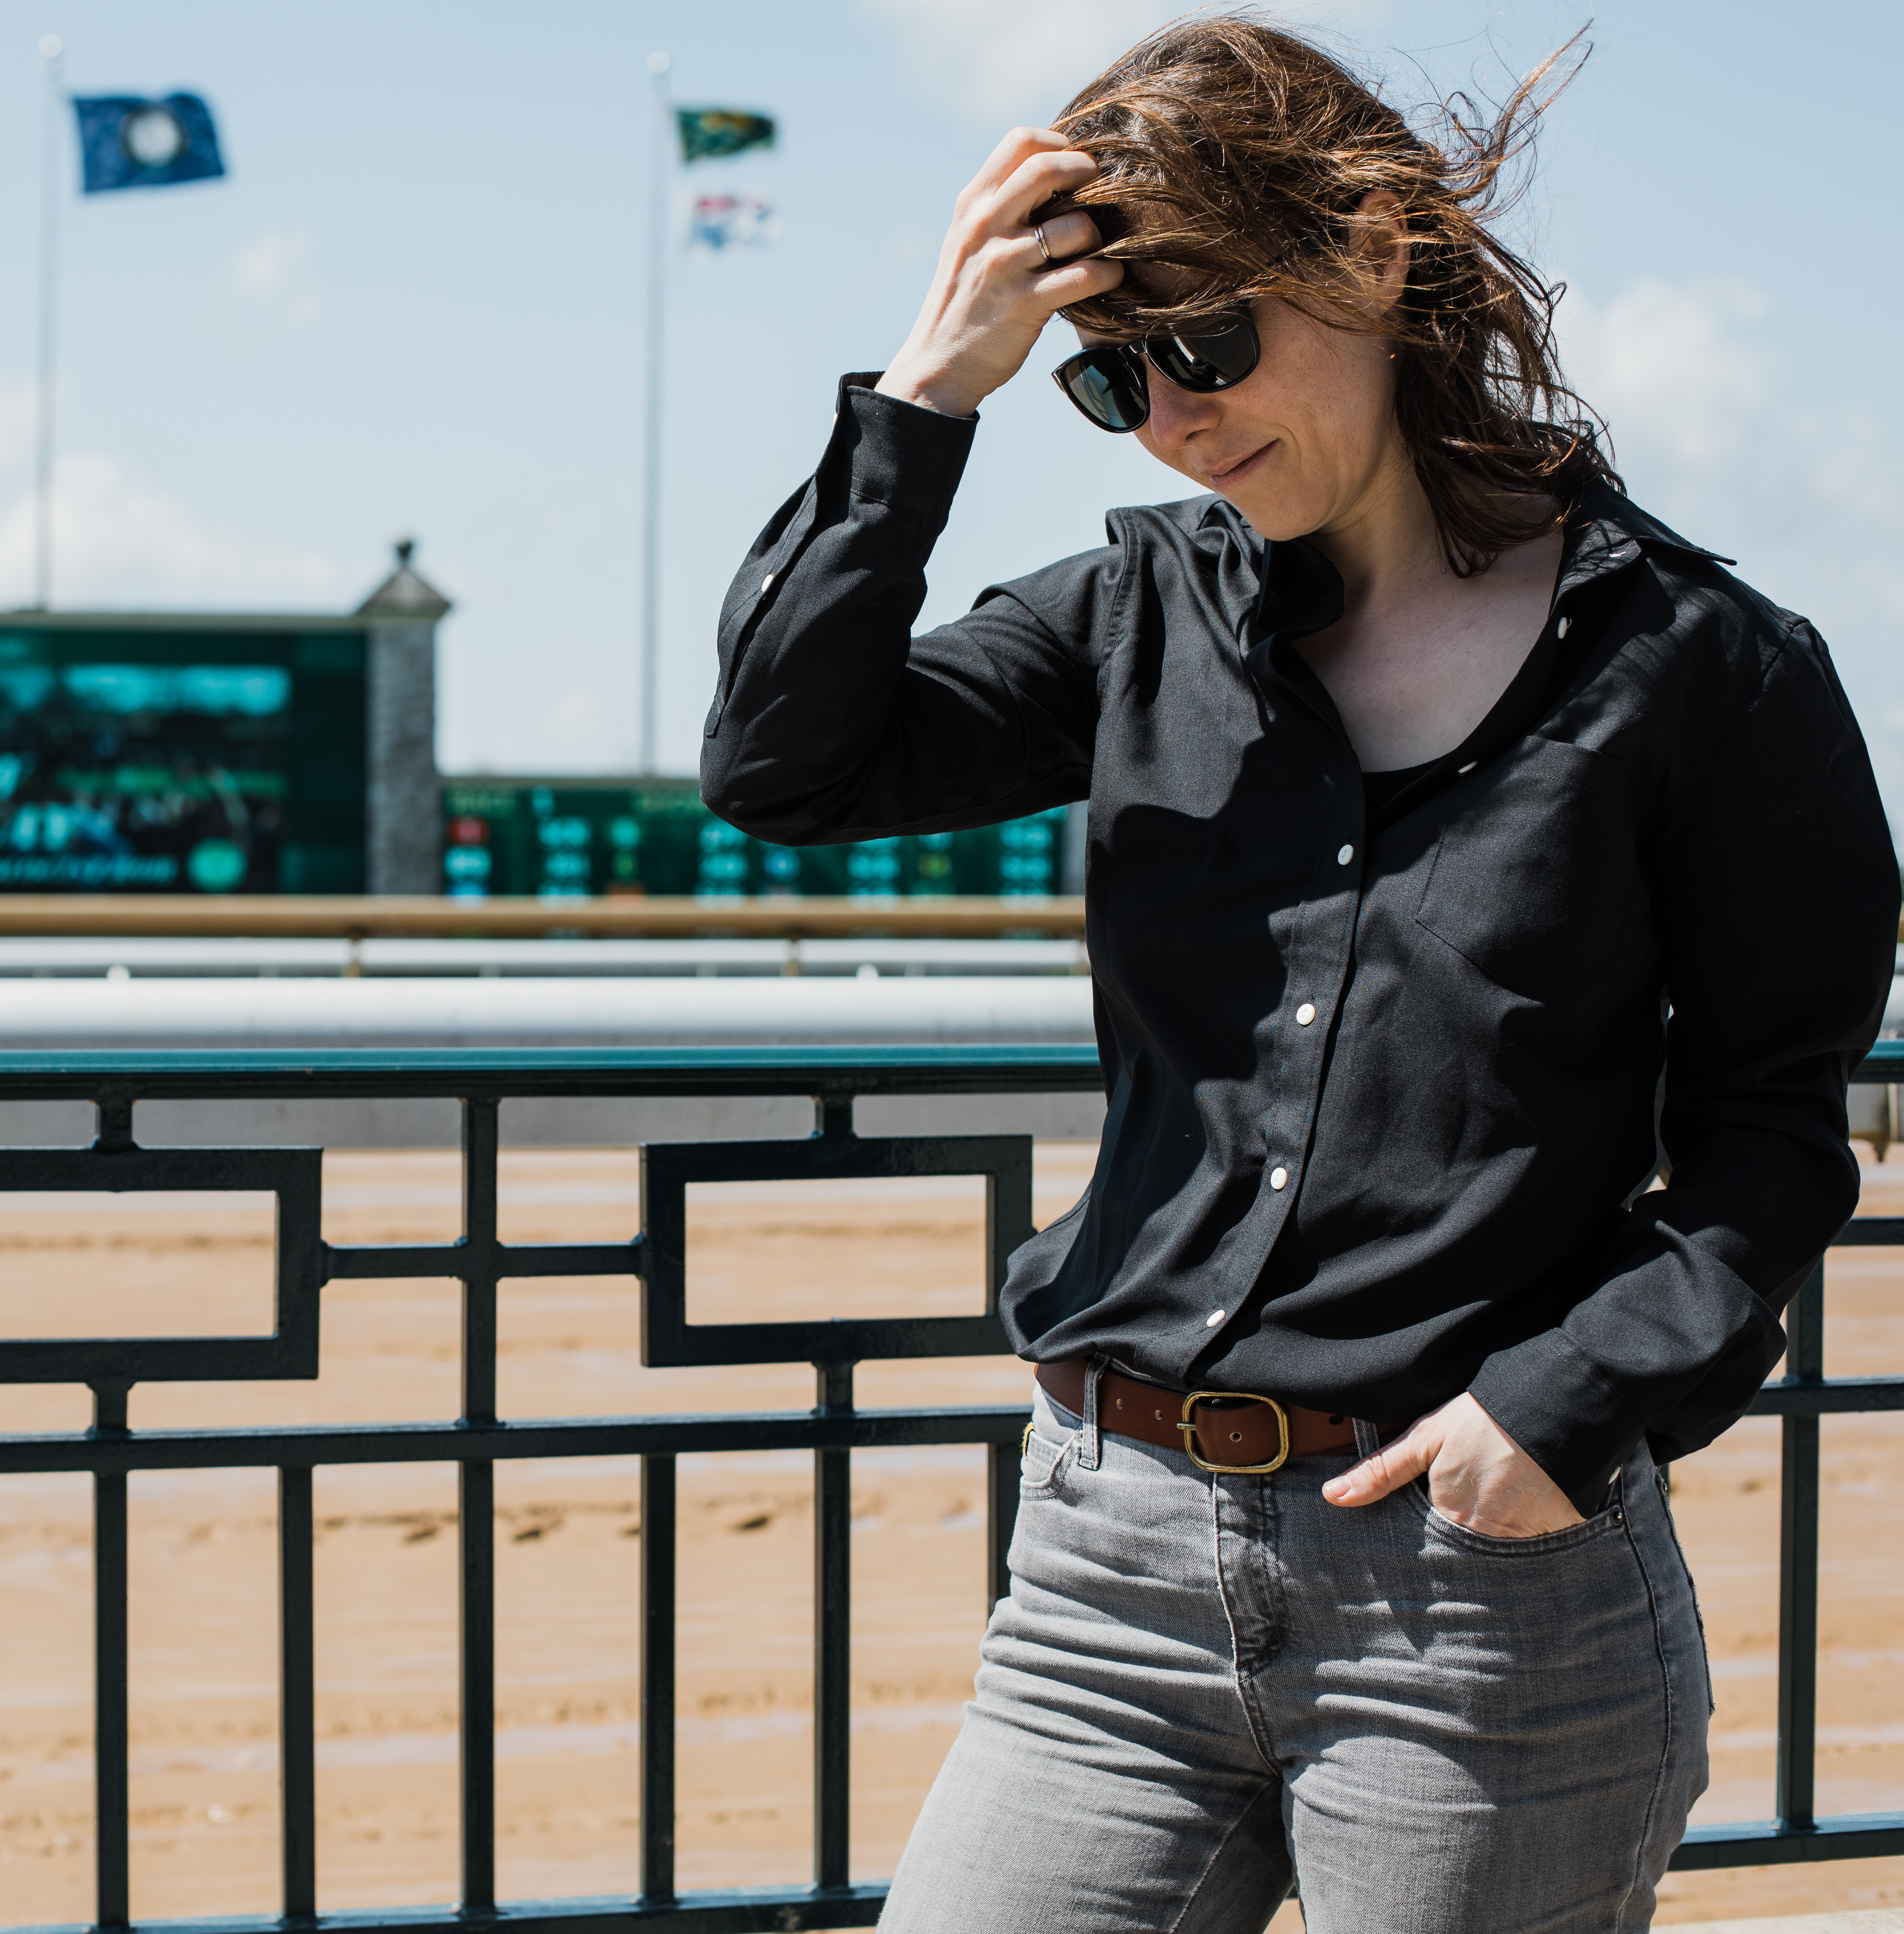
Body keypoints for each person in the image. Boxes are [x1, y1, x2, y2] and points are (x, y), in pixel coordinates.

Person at [698, 17, 1899, 1932]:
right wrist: (930, 397)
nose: (1174, 415)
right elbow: (786, 763)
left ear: (1367, 256)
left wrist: (1563, 1405)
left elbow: (1771, 1137)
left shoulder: (1709, 671)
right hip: (1105, 1574)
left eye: (1207, 341)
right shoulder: (1133, 613)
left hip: (1475, 1601)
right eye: (1114, 379)